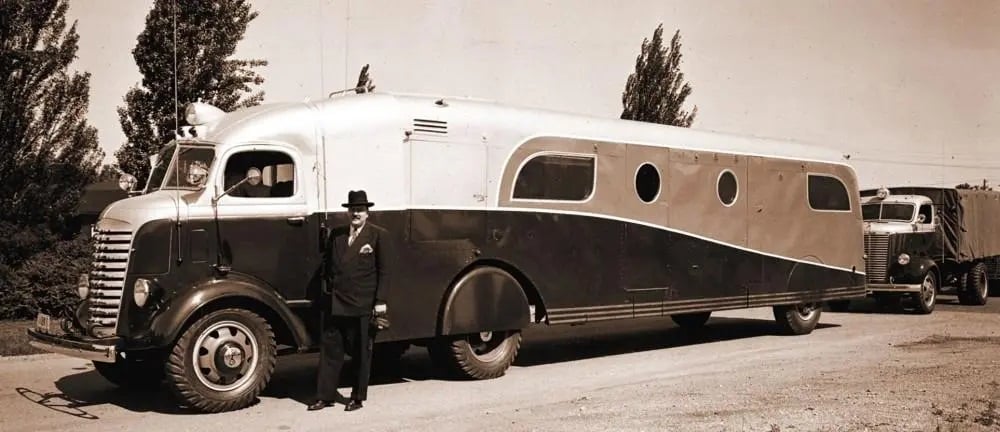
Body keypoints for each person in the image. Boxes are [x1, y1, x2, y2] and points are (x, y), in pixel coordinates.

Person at [310, 190, 392, 412]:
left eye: (360, 210)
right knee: (330, 351)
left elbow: (384, 271)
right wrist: (326, 292)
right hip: (336, 302)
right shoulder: (337, 234)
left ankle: (357, 397)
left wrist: (380, 301)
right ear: (348, 212)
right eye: (353, 209)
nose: (356, 213)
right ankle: (325, 396)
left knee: (360, 353)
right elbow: (327, 265)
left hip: (362, 303)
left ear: (367, 213)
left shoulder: (377, 235)